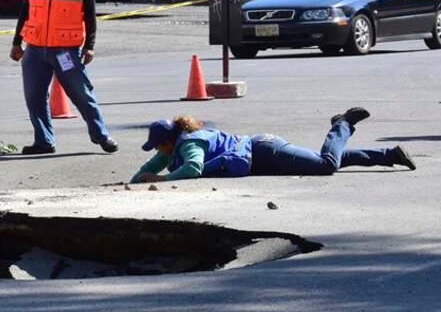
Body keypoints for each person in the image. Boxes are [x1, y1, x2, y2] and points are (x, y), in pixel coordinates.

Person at [10, 0, 118, 155]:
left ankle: (101, 135)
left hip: (65, 51)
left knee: (81, 93)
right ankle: (44, 141)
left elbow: (90, 18)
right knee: (34, 96)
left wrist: (89, 46)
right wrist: (16, 42)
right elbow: (25, 13)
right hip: (35, 49)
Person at [131, 108, 416, 183]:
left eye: (159, 146)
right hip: (261, 155)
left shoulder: (189, 143)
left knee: (326, 165)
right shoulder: (173, 145)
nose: (158, 152)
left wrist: (162, 179)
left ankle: (342, 123)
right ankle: (389, 155)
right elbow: (151, 166)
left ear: (168, 141)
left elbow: (193, 168)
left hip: (263, 149)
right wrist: (132, 182)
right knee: (322, 160)